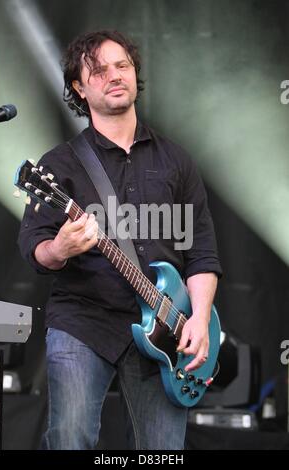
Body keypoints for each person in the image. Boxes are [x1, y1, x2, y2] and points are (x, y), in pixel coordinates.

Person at [18, 30, 222, 450]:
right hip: (83, 321)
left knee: (162, 452)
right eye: (99, 70)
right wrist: (61, 248)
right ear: (78, 86)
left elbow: (201, 252)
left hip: (167, 330)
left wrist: (199, 319)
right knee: (70, 438)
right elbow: (35, 247)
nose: (114, 75)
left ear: (134, 74)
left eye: (122, 65)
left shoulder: (175, 160)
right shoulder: (58, 166)